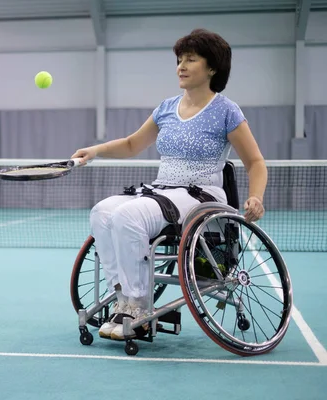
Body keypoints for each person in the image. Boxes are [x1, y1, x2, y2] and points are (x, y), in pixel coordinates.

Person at [71, 29, 267, 341]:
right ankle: (122, 297)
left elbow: (255, 162)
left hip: (201, 195)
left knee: (129, 216)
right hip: (163, 190)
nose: (181, 66)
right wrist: (94, 151)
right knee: (102, 213)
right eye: (179, 60)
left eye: (191, 59)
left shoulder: (226, 110)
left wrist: (256, 196)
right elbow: (133, 143)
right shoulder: (166, 107)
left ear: (212, 67)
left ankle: (138, 308)